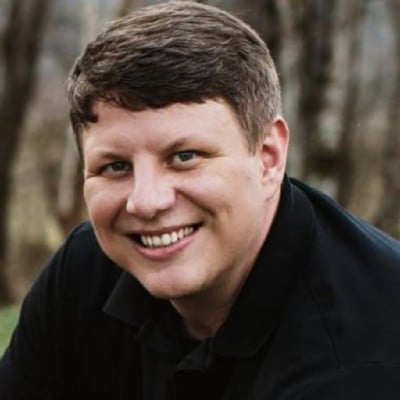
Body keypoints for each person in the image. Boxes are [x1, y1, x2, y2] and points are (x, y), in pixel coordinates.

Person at [1, 1, 400, 398]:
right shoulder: (87, 272)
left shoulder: (355, 362)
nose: (146, 202)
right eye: (116, 166)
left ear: (268, 157)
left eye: (185, 157)